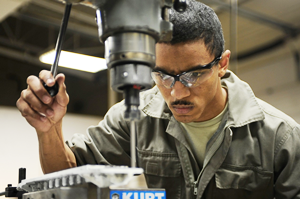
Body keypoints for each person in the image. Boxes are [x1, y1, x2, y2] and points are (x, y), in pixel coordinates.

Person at [16, 0, 300, 198]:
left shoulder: (280, 138)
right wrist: (49, 129)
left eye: (192, 75)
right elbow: (68, 177)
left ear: (222, 63)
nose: (176, 93)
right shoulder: (130, 120)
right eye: (162, 75)